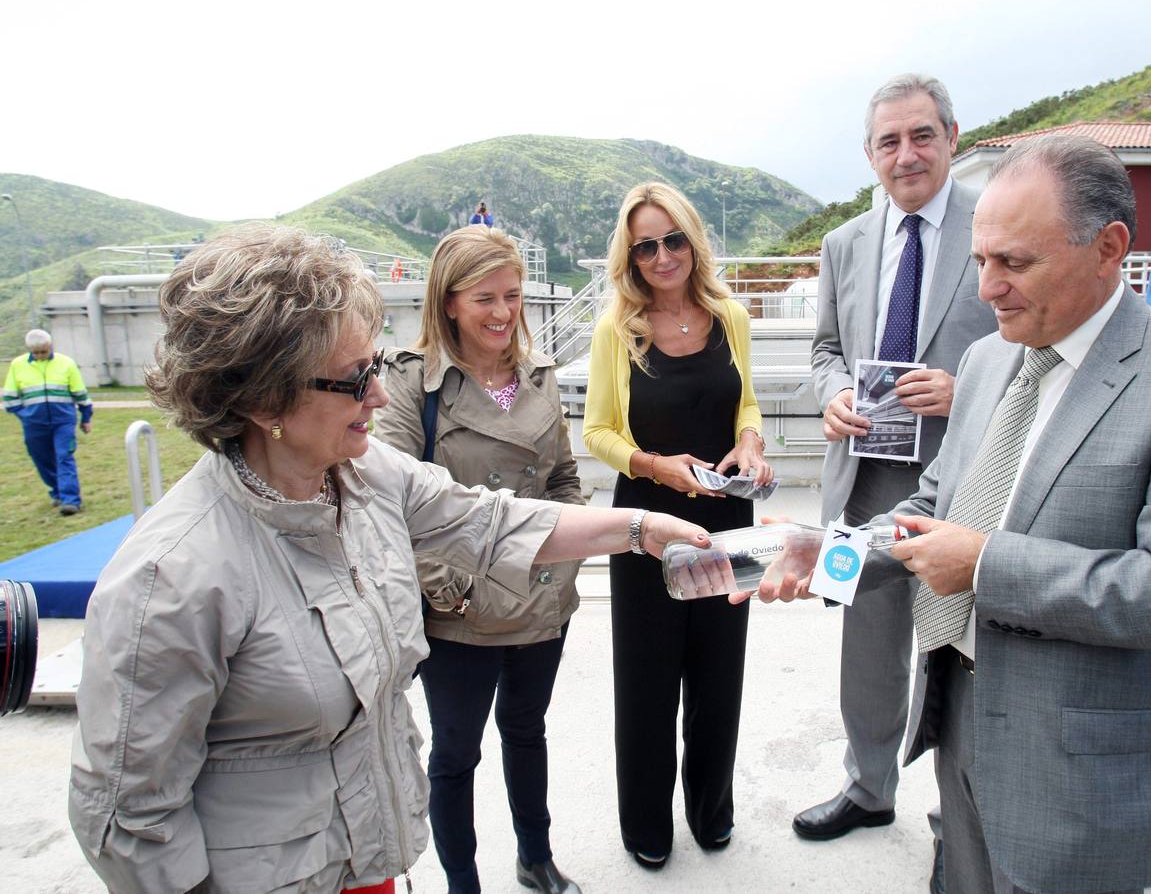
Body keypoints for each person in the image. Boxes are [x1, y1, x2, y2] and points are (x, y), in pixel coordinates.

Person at [67, 224, 707, 894]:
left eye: (374, 368)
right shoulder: (170, 579)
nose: (377, 395)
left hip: (365, 867)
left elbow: (489, 519)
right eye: (354, 379)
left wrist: (641, 527)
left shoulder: (368, 475)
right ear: (262, 398)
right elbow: (128, 817)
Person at [749, 136, 1151, 893]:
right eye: (979, 262)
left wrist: (987, 565)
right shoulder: (990, 358)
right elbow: (936, 506)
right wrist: (826, 553)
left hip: (1081, 779)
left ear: (1109, 249)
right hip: (960, 729)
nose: (988, 289)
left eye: (1016, 263)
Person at [796, 73, 998, 882]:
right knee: (865, 643)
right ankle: (868, 787)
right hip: (865, 482)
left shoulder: (996, 222)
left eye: (922, 135)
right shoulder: (845, 243)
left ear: (952, 135)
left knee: (953, 649)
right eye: (889, 141)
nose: (906, 154)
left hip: (965, 480)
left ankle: (960, 810)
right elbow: (821, 350)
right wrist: (835, 393)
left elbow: (1031, 343)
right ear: (870, 154)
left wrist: (964, 389)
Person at [376, 226, 584, 894]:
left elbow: (562, 483)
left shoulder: (540, 377)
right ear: (449, 303)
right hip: (459, 608)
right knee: (455, 754)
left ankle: (535, 857)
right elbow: (391, 501)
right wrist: (451, 590)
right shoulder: (413, 383)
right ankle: (462, 883)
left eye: (513, 297)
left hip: (540, 597)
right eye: (484, 298)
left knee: (527, 731)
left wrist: (559, 572)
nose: (502, 313)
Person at [583, 181, 772, 869]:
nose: (662, 257)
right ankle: (646, 825)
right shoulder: (616, 329)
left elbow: (746, 404)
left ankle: (711, 811)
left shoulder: (731, 317)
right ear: (629, 259)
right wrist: (657, 467)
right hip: (647, 523)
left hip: (730, 519)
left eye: (673, 240)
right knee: (647, 681)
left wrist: (750, 444)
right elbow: (597, 432)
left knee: (720, 675)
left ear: (693, 240)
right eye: (645, 247)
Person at [3, 328, 93, 515]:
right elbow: (10, 398)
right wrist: (25, 416)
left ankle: (71, 500)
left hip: (63, 422)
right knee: (42, 459)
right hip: (34, 425)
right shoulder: (18, 365)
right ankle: (58, 491)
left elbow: (80, 393)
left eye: (43, 351)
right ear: (29, 350)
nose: (40, 356)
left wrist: (86, 417)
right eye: (35, 353)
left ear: (50, 346)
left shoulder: (66, 363)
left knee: (64, 456)